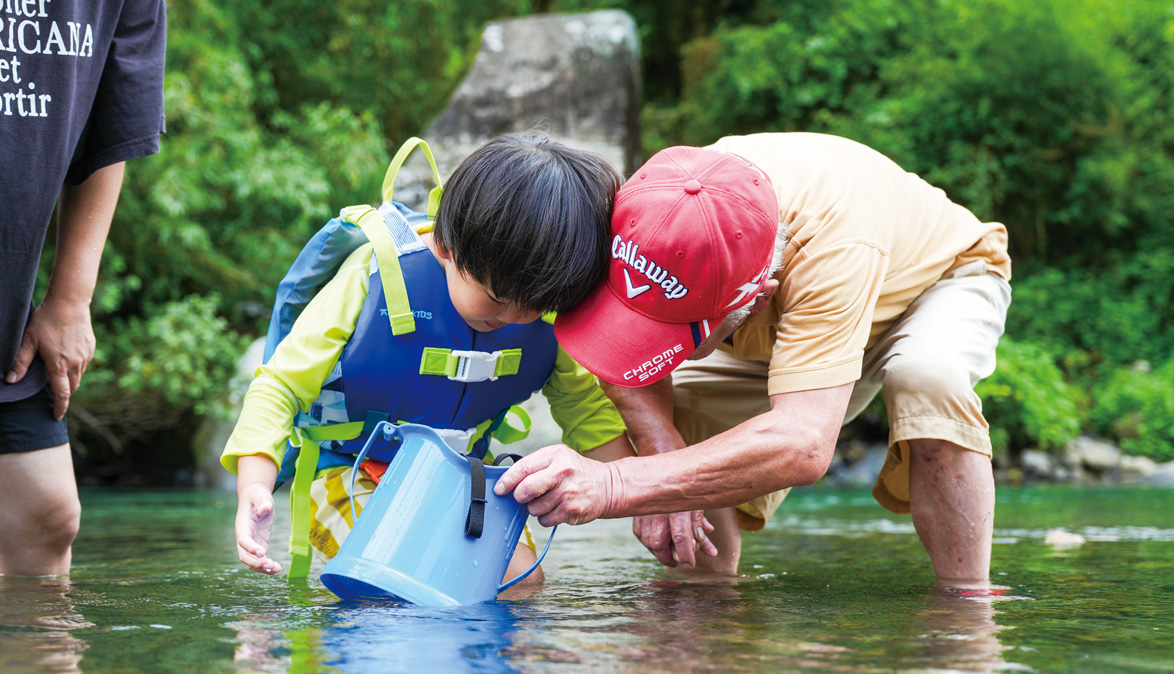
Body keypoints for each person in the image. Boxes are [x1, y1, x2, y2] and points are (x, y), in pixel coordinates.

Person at [495, 133, 1012, 587]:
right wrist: (659, 443)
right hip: (791, 298)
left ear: (754, 300)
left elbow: (803, 443)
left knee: (926, 377)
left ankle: (965, 611)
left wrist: (615, 484)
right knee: (685, 419)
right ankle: (705, 605)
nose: (646, 349)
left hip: (936, 281)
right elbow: (615, 355)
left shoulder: (834, 248)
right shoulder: (652, 207)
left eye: (663, 334)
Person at [223, 135, 636, 583]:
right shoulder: (372, 278)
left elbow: (586, 411)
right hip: (349, 468)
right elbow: (279, 386)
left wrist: (642, 497)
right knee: (394, 577)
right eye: (497, 298)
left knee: (520, 580)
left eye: (533, 305)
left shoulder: (545, 306)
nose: (516, 317)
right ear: (445, 245)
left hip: (461, 473)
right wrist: (254, 487)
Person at [0, 0, 168, 576]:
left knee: (46, 517)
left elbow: (113, 124)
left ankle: (33, 665)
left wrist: (70, 299)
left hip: (11, 311)